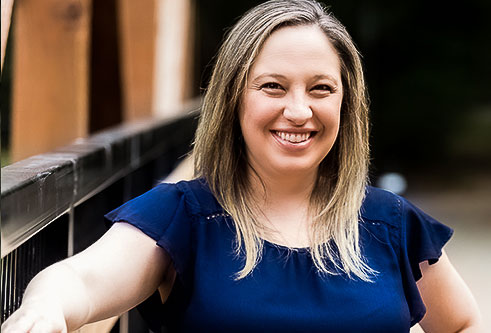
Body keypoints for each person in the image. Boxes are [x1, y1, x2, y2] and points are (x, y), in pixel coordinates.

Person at [1, 0, 483, 332]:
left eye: (321, 88)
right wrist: (44, 308)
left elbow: (463, 322)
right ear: (233, 99)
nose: (299, 110)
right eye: (273, 86)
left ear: (346, 103)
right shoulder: (185, 217)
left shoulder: (389, 223)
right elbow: (80, 280)